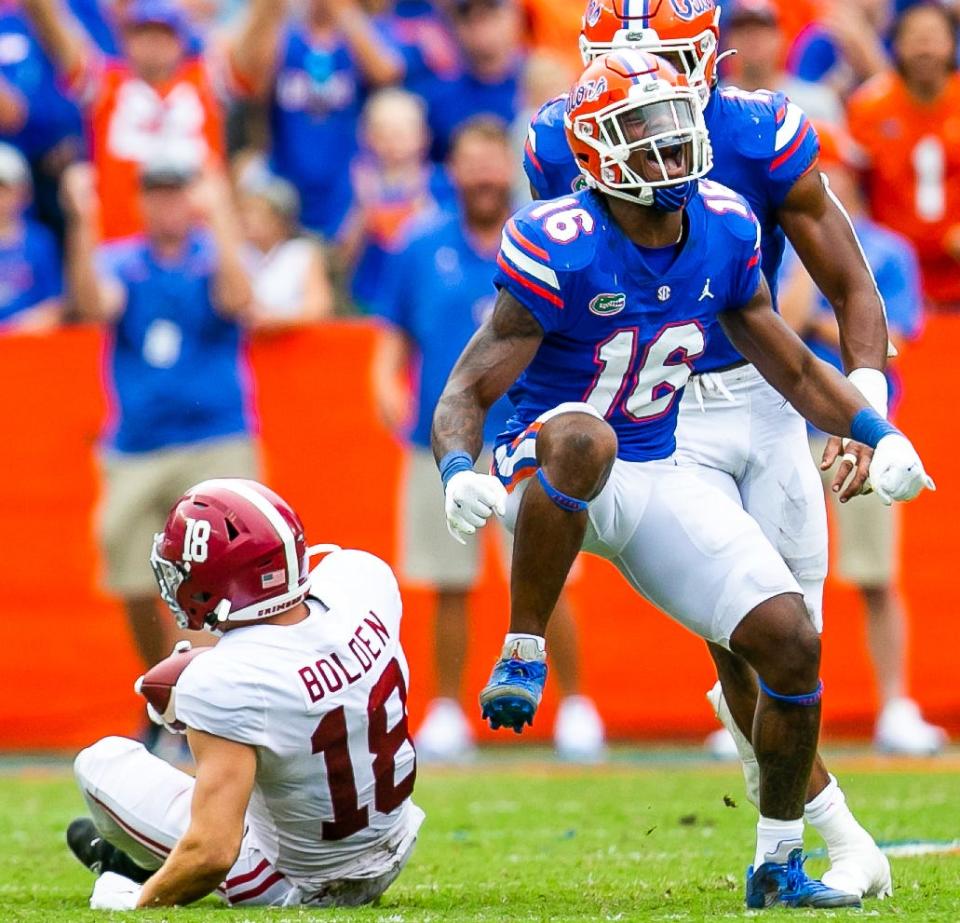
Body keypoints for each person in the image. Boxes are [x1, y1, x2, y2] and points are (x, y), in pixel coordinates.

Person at [431, 52, 933, 909]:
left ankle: (779, 863)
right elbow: (466, 386)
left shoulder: (727, 223)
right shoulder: (562, 241)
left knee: (789, 639)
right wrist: (456, 468)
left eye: (673, 126)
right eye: (644, 133)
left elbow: (795, 367)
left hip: (658, 469)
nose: (669, 147)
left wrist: (877, 429)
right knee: (585, 435)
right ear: (596, 151)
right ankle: (524, 646)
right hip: (547, 471)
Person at [66, 478, 422, 909]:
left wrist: (139, 902)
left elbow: (213, 853)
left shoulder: (224, 682)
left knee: (99, 764)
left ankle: (129, 863)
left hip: (298, 881)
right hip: (393, 840)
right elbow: (301, 663)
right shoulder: (364, 580)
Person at [370, 117, 605, 761]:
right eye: (468, 163)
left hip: (527, 430)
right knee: (447, 578)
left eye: (490, 163)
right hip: (443, 436)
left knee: (545, 572)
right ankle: (446, 705)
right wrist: (386, 383)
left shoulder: (542, 238)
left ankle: (577, 703)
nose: (480, 176)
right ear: (452, 172)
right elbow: (394, 335)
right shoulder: (420, 245)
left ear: (511, 169)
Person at [779, 123, 946, 754]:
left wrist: (824, 315)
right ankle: (764, 704)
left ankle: (895, 703)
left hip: (864, 431)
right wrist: (807, 272)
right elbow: (783, 326)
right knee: (774, 574)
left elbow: (891, 342)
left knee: (874, 572)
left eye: (837, 170)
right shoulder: (781, 243)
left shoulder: (887, 249)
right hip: (789, 428)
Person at [61, 155, 258, 672]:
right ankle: (165, 692)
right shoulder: (121, 260)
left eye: (177, 192)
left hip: (215, 437)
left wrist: (221, 219)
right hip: (138, 442)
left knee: (231, 572)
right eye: (157, 194)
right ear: (141, 202)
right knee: (128, 571)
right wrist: (81, 222)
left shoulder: (214, 253)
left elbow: (240, 300)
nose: (167, 204)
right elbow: (92, 305)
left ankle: (220, 696)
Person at [21, 0, 277, 241]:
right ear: (125, 40)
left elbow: (256, 35)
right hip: (119, 245)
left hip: (199, 252)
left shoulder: (207, 81)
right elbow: (51, 26)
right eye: (144, 33)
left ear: (181, 40)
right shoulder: (103, 85)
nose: (155, 42)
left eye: (164, 33)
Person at [233, 0, 406, 243]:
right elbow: (253, 84)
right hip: (285, 177)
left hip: (344, 183)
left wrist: (343, 11)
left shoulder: (362, 34)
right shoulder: (286, 38)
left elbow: (388, 72)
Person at [847, 2, 960, 311]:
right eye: (915, 37)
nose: (924, 47)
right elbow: (850, 187)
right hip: (891, 271)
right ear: (896, 44)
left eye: (934, 36)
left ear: (952, 43)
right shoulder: (869, 108)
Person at [344, 87, 453, 309]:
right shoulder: (356, 182)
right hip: (370, 299)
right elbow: (342, 258)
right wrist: (364, 209)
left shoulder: (442, 184)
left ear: (424, 136)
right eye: (382, 133)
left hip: (426, 295)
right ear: (366, 137)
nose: (392, 143)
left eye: (402, 133)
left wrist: (422, 203)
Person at [421, 0, 525, 161]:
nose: (480, 28)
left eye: (490, 14)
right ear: (452, 25)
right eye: (467, 17)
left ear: (514, 17)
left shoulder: (542, 85)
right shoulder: (436, 99)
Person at [239, 172, 335, 331]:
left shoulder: (302, 253)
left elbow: (319, 308)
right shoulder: (238, 254)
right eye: (244, 212)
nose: (247, 219)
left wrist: (275, 320)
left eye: (256, 213)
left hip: (292, 346)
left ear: (280, 220)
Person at [722, 0, 843, 124]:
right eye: (743, 31)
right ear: (728, 40)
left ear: (780, 38)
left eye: (762, 31)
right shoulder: (710, 103)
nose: (752, 39)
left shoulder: (817, 103)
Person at [0, 143, 62, 331]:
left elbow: (56, 303)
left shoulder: (40, 242)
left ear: (23, 192)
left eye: (4, 189)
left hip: (27, 346)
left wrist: (18, 327)